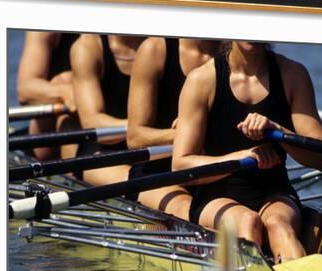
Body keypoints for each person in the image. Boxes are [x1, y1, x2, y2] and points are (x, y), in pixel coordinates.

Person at [172, 41, 322, 263]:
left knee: (279, 226)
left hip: (274, 192)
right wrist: (239, 157)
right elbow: (180, 164)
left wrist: (279, 131)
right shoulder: (202, 80)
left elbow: (320, 158)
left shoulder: (292, 74)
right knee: (248, 222)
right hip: (215, 195)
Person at [127, 37, 221, 220]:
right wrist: (188, 130)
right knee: (187, 208)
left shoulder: (235, 55)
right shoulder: (154, 50)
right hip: (157, 172)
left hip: (211, 171)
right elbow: (135, 137)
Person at [70, 34, 145, 185]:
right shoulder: (88, 47)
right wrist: (145, 130)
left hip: (156, 146)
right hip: (103, 151)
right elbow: (92, 122)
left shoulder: (165, 45)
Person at [17, 31, 79, 161]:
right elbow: (25, 89)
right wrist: (73, 95)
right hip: (53, 132)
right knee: (66, 80)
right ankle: (74, 170)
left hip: (111, 125)